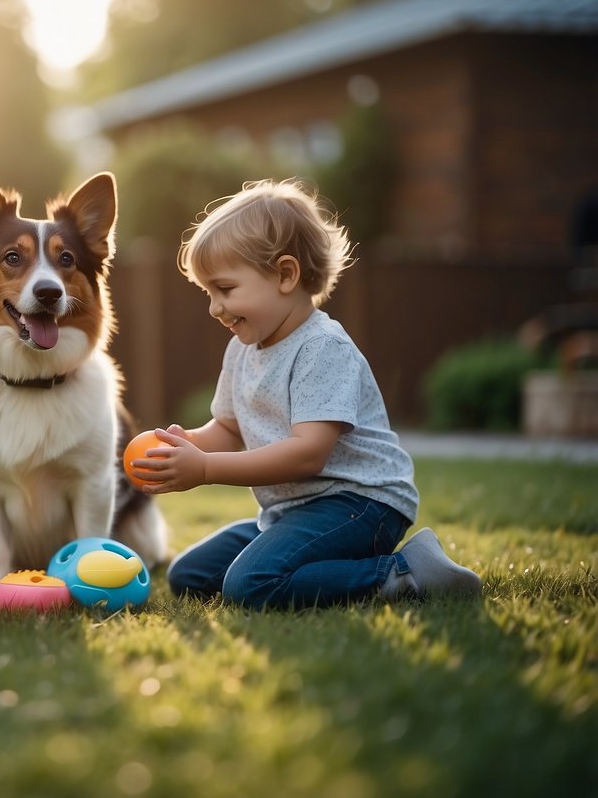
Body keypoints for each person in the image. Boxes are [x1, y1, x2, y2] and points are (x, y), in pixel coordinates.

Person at [130, 179, 481, 609]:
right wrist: (186, 446)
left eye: (224, 289)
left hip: (360, 503)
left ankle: (404, 572)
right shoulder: (242, 348)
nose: (214, 308)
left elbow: (307, 454)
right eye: (208, 293)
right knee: (190, 575)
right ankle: (295, 551)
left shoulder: (322, 347)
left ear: (285, 275)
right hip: (295, 509)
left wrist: (205, 468)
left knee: (250, 585)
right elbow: (227, 426)